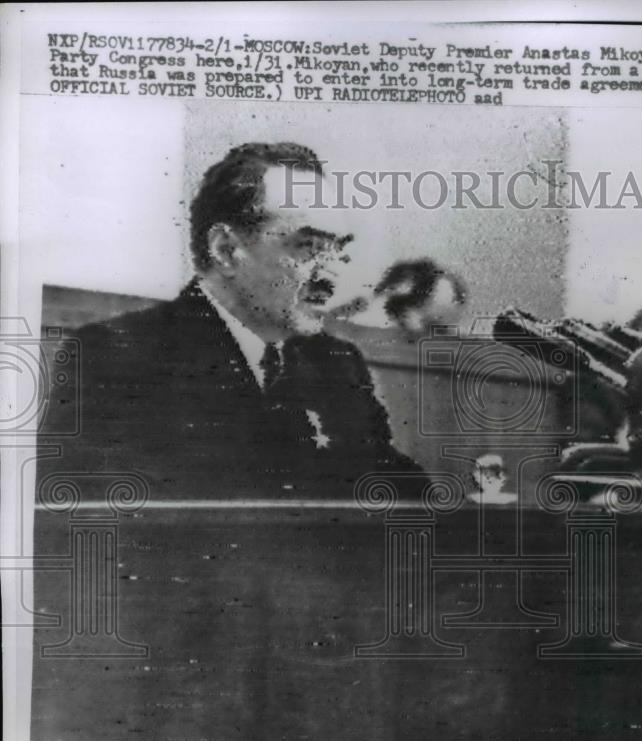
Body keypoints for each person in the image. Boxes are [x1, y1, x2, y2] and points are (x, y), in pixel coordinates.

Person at [40, 142, 424, 500]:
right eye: (309, 248)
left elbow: (396, 489)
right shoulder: (117, 357)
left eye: (337, 251)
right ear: (225, 249)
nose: (331, 278)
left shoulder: (336, 364)